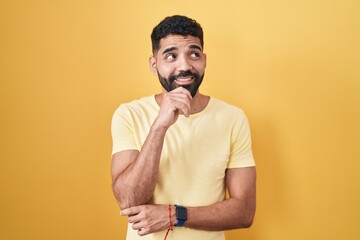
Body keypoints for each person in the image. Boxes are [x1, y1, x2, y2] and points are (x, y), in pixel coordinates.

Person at [111, 15, 256, 240]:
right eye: (171, 56)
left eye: (194, 54)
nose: (185, 66)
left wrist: (173, 215)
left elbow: (244, 211)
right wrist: (159, 126)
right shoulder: (129, 114)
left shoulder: (233, 118)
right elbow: (129, 199)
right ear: (154, 64)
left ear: (204, 60)